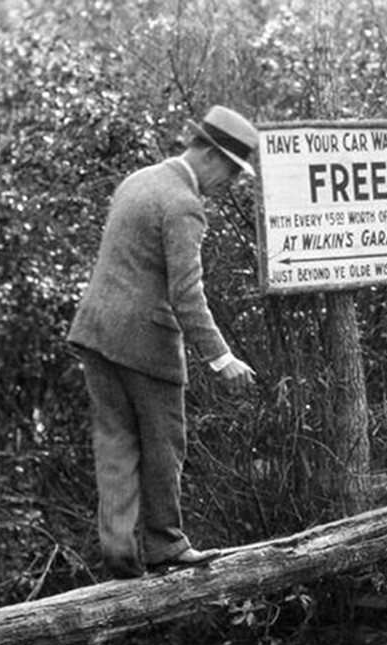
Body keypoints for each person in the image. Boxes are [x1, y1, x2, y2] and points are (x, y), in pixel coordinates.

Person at [67, 105, 259, 579]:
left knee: (115, 442)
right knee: (163, 444)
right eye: (232, 174)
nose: (228, 186)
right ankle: (166, 546)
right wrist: (221, 357)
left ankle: (119, 552)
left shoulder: (139, 180)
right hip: (145, 344)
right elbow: (186, 295)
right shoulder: (183, 203)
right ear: (212, 156)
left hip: (96, 333)